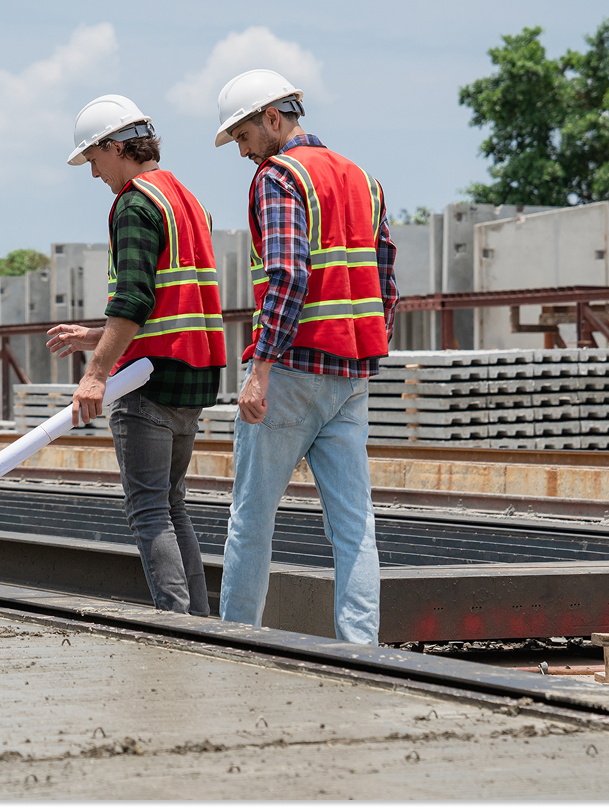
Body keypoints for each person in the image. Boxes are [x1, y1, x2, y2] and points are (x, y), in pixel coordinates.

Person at [212, 69, 398, 645]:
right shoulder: (363, 179)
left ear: (273, 118)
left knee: (251, 518)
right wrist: (369, 348)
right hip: (351, 375)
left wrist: (260, 369)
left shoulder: (279, 177)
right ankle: (361, 650)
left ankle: (236, 641)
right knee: (354, 525)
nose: (243, 152)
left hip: (292, 371)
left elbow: (288, 275)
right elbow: (387, 279)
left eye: (244, 136)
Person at [45, 95, 227, 617]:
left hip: (147, 382)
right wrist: (95, 337)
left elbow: (133, 299)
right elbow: (167, 301)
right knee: (171, 504)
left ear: (116, 146)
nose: (94, 173)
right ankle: (198, 618)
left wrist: (96, 374)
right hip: (194, 374)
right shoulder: (186, 200)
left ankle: (176, 622)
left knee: (148, 510)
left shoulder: (134, 204)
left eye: (94, 159)